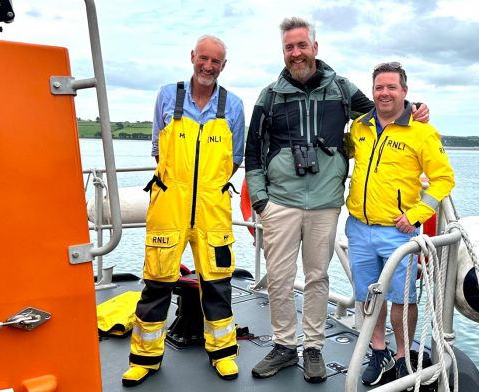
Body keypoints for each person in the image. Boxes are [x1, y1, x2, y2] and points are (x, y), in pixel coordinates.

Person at [244, 17, 430, 383]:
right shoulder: (270, 95)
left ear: (315, 47)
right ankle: (283, 345)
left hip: (326, 204)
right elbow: (253, 151)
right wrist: (262, 201)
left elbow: (382, 114)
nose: (296, 53)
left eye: (301, 45)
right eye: (289, 48)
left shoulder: (340, 89)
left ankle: (312, 347)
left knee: (316, 277)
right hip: (280, 202)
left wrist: (416, 109)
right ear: (284, 52)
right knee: (280, 279)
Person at [121, 35, 245, 386]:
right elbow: (157, 150)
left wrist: (207, 188)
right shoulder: (166, 96)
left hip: (212, 209)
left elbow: (234, 161)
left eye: (216, 61)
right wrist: (177, 186)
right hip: (169, 207)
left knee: (218, 284)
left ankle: (222, 354)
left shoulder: (233, 105)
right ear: (193, 57)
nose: (208, 66)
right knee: (157, 283)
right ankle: (145, 359)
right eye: (203, 58)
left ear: (224, 65)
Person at [345, 62, 455, 385]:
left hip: (398, 233)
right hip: (359, 227)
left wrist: (416, 215)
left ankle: (403, 355)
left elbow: (443, 179)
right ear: (373, 90)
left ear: (404, 92)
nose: (385, 93)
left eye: (392, 87)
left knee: (402, 300)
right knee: (369, 296)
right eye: (379, 87)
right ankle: (378, 351)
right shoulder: (359, 129)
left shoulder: (421, 132)